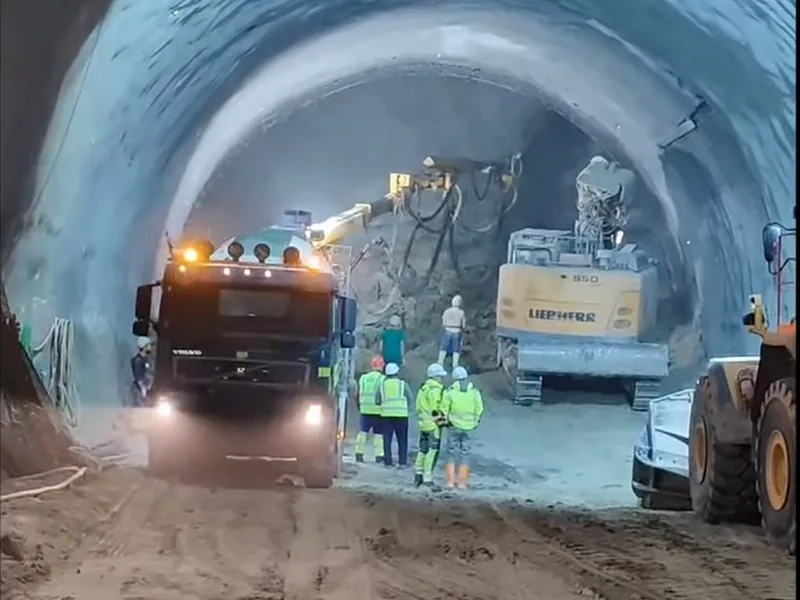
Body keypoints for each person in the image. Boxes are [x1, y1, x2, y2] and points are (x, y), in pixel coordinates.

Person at [441, 366, 484, 490]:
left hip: (453, 426)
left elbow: (444, 410)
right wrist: (475, 422)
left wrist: (446, 423)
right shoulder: (475, 392)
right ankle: (462, 483)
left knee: (451, 453)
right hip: (469, 427)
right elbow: (479, 409)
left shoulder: (450, 392)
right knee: (465, 454)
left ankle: (450, 482)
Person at [413, 363, 448, 487]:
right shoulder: (436, 390)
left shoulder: (423, 389)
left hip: (423, 424)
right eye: (440, 376)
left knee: (422, 450)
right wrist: (443, 423)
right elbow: (435, 409)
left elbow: (417, 408)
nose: (441, 378)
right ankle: (427, 478)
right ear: (436, 376)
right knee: (432, 451)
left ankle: (418, 474)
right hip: (433, 425)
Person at [375, 362, 414, 468]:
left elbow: (377, 401)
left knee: (387, 440)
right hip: (401, 416)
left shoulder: (381, 385)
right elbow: (410, 399)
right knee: (402, 440)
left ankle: (388, 462)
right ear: (396, 372)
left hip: (386, 416)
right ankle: (402, 462)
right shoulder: (402, 384)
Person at [354, 356, 386, 464]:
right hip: (378, 411)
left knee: (362, 432)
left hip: (364, 409)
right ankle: (379, 456)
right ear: (382, 366)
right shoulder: (382, 379)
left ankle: (359, 454)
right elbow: (383, 395)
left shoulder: (363, 378)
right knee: (378, 434)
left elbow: (357, 394)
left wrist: (359, 406)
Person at [438, 295, 466, 368]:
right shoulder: (461, 312)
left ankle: (440, 362)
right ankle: (455, 365)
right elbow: (463, 324)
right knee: (456, 349)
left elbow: (443, 321)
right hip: (457, 331)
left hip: (447, 330)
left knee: (444, 347)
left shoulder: (447, 311)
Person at [129, 336, 153, 408]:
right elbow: (138, 377)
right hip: (139, 390)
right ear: (144, 346)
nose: (150, 347)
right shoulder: (138, 361)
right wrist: (143, 389)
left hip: (145, 389)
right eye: (148, 345)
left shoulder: (146, 359)